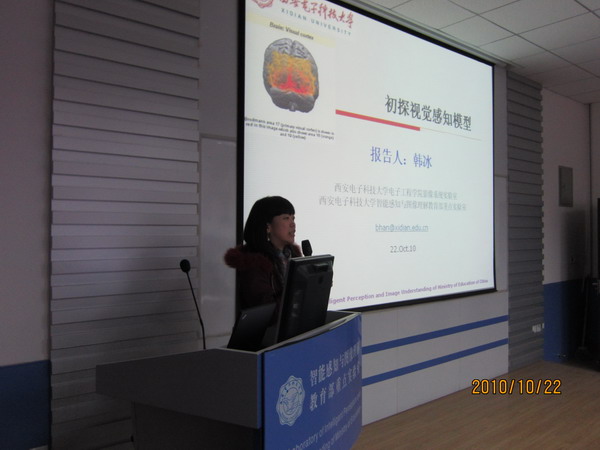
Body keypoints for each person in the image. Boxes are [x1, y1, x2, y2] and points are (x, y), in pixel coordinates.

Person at [224, 196, 303, 322]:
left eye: (293, 218)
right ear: (268, 227)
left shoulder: (292, 256)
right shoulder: (254, 264)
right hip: (267, 333)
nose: (293, 224)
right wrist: (299, 289)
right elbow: (268, 313)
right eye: (286, 218)